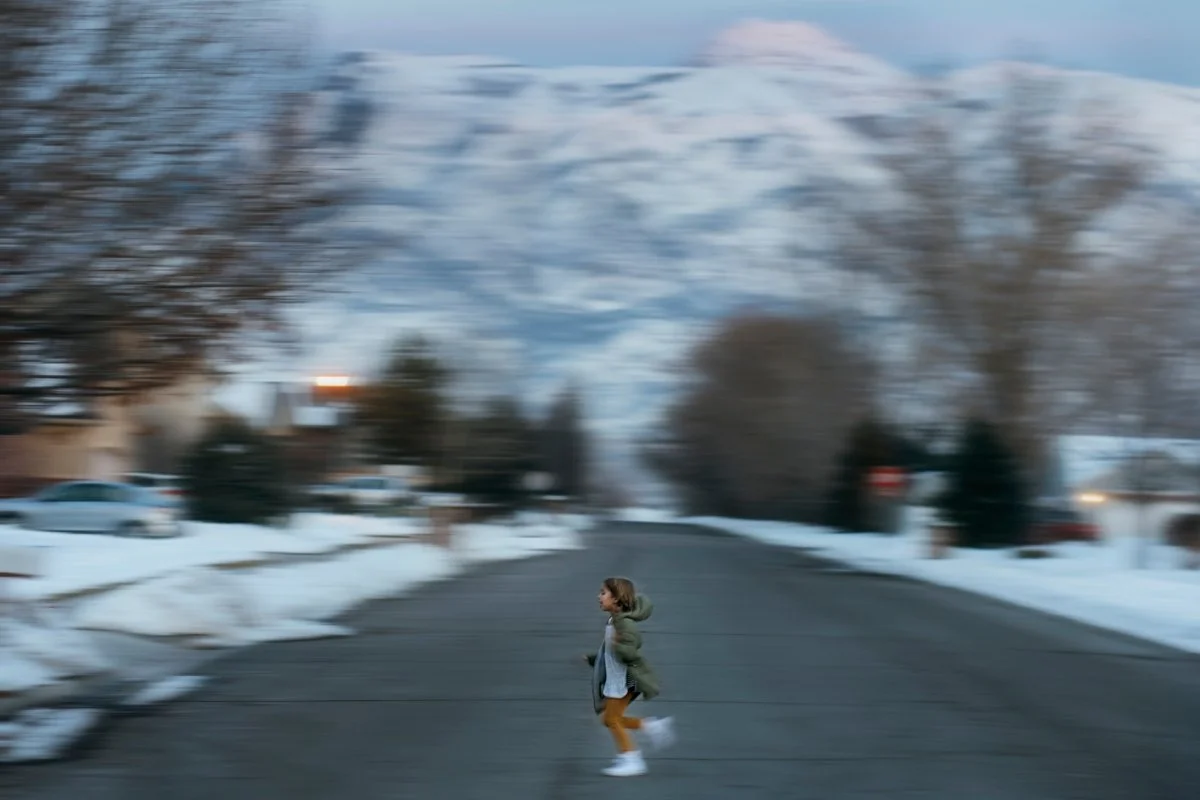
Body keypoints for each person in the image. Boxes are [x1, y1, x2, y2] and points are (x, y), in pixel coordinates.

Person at [584, 576, 675, 777]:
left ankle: (632, 758)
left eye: (603, 593)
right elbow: (610, 652)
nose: (599, 596)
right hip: (618, 678)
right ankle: (651, 726)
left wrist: (617, 644)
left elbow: (631, 651)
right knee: (610, 719)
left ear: (616, 599)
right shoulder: (614, 620)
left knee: (612, 720)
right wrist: (594, 659)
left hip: (624, 679)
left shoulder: (624, 624)